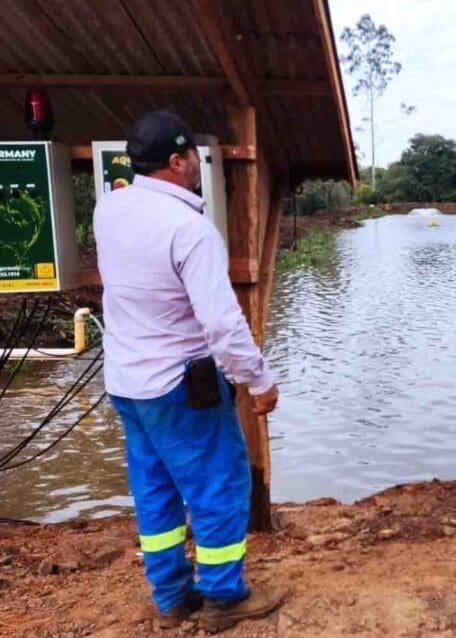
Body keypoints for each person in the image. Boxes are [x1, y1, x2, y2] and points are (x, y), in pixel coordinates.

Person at [94, 111, 285, 631]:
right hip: (182, 386)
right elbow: (223, 325)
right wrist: (260, 381)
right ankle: (224, 597)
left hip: (128, 385)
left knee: (154, 489)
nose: (198, 165)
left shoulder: (108, 210)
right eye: (193, 158)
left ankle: (172, 597)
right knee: (218, 483)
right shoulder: (190, 229)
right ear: (177, 162)